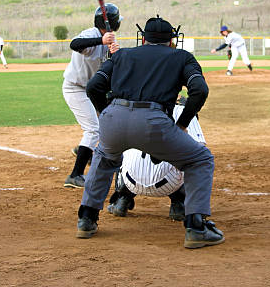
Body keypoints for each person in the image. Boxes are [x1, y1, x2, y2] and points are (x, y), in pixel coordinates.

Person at [76, 15, 224, 249]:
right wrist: (182, 124)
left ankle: (86, 219)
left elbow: (94, 87)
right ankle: (196, 227)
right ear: (171, 40)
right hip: (153, 121)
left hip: (114, 116)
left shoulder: (122, 54)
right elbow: (199, 90)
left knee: (104, 159)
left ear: (143, 39)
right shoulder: (182, 57)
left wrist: (106, 114)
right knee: (200, 159)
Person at [106, 96, 206, 221]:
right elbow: (199, 152)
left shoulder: (132, 104)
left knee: (121, 147)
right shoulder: (182, 108)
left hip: (129, 180)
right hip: (169, 184)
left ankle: (122, 199)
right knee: (193, 155)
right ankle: (178, 204)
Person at [62, 3, 122, 189]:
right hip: (75, 88)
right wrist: (101, 41)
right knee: (93, 130)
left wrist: (115, 55)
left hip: (92, 90)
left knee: (106, 123)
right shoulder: (91, 34)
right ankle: (75, 175)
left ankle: (83, 150)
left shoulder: (109, 39)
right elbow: (75, 44)